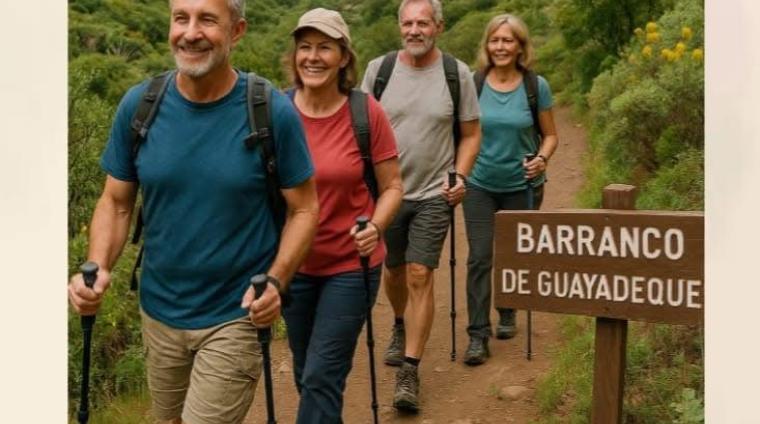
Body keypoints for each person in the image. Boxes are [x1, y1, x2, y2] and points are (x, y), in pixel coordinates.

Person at [67, 0, 320, 423]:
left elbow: (304, 209)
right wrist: (98, 266)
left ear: (237, 31)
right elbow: (116, 201)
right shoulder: (140, 106)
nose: (190, 32)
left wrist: (276, 281)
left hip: (236, 313)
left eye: (207, 20)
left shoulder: (270, 111)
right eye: (180, 18)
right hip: (158, 311)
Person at [280, 8, 403, 423]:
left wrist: (377, 226)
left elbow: (392, 187)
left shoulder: (365, 113)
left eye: (325, 48)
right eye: (305, 47)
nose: (313, 57)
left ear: (344, 57)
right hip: (292, 266)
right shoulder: (277, 112)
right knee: (307, 374)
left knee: (321, 375)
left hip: (351, 265)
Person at [360, 0, 481, 413]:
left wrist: (460, 175)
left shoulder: (456, 74)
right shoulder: (379, 70)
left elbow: (471, 134)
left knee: (419, 272)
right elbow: (359, 127)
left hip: (434, 194)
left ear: (439, 27)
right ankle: (399, 322)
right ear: (400, 27)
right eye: (408, 23)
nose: (415, 30)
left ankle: (409, 370)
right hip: (387, 194)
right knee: (393, 271)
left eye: (423, 23)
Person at [462, 13, 558, 365]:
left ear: (520, 46)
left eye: (507, 40)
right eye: (495, 40)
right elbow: (462, 134)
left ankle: (507, 309)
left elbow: (550, 136)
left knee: (513, 254)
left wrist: (542, 159)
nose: (500, 47)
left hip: (523, 185)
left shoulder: (535, 86)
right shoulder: (473, 84)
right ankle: (477, 334)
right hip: (479, 184)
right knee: (480, 256)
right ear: (487, 45)